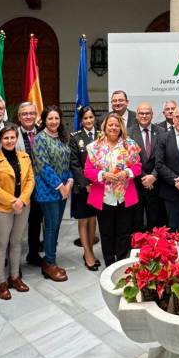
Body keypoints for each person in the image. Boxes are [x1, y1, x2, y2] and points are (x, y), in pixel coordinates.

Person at [0, 124, 36, 299]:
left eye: (12, 137)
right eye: (5, 138)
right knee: (1, 245)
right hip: (0, 209)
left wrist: (21, 200)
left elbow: (30, 180)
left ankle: (14, 277)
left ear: (16, 139)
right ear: (0, 140)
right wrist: (13, 201)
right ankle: (1, 283)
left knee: (17, 242)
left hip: (23, 206)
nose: (9, 141)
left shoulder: (25, 157)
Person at [85, 113, 143, 265]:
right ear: (104, 127)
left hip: (124, 196)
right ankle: (110, 263)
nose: (113, 127)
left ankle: (122, 263)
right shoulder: (94, 147)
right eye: (110, 124)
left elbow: (137, 166)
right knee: (106, 233)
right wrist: (103, 174)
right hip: (103, 197)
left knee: (124, 233)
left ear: (121, 127)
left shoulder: (129, 144)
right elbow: (87, 171)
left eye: (116, 125)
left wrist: (127, 172)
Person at [32, 105, 73, 281]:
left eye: (56, 118)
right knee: (51, 226)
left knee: (56, 226)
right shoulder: (40, 138)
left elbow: (68, 162)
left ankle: (50, 259)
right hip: (48, 190)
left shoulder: (63, 137)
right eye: (50, 118)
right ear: (44, 121)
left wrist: (70, 182)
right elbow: (43, 166)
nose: (54, 121)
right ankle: (49, 263)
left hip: (64, 188)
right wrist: (60, 186)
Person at [14, 101, 45, 267]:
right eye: (24, 114)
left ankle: (33, 254)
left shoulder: (42, 133)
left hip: (39, 186)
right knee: (17, 226)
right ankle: (14, 262)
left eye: (31, 113)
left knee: (35, 221)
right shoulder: (12, 134)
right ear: (19, 117)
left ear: (36, 115)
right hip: (19, 188)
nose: (28, 116)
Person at [70, 106, 101, 270]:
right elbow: (74, 164)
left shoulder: (101, 135)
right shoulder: (75, 137)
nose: (88, 121)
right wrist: (86, 184)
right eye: (85, 118)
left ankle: (89, 251)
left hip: (99, 185)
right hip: (82, 187)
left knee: (93, 218)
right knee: (83, 220)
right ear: (81, 120)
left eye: (91, 117)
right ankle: (88, 254)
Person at [129, 102, 166, 232]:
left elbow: (163, 157)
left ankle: (155, 249)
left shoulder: (161, 132)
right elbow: (129, 160)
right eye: (141, 113)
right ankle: (138, 249)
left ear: (152, 115)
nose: (144, 116)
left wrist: (154, 176)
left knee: (155, 222)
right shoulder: (128, 133)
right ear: (137, 115)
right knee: (136, 222)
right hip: (136, 184)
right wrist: (144, 177)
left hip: (157, 185)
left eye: (147, 113)